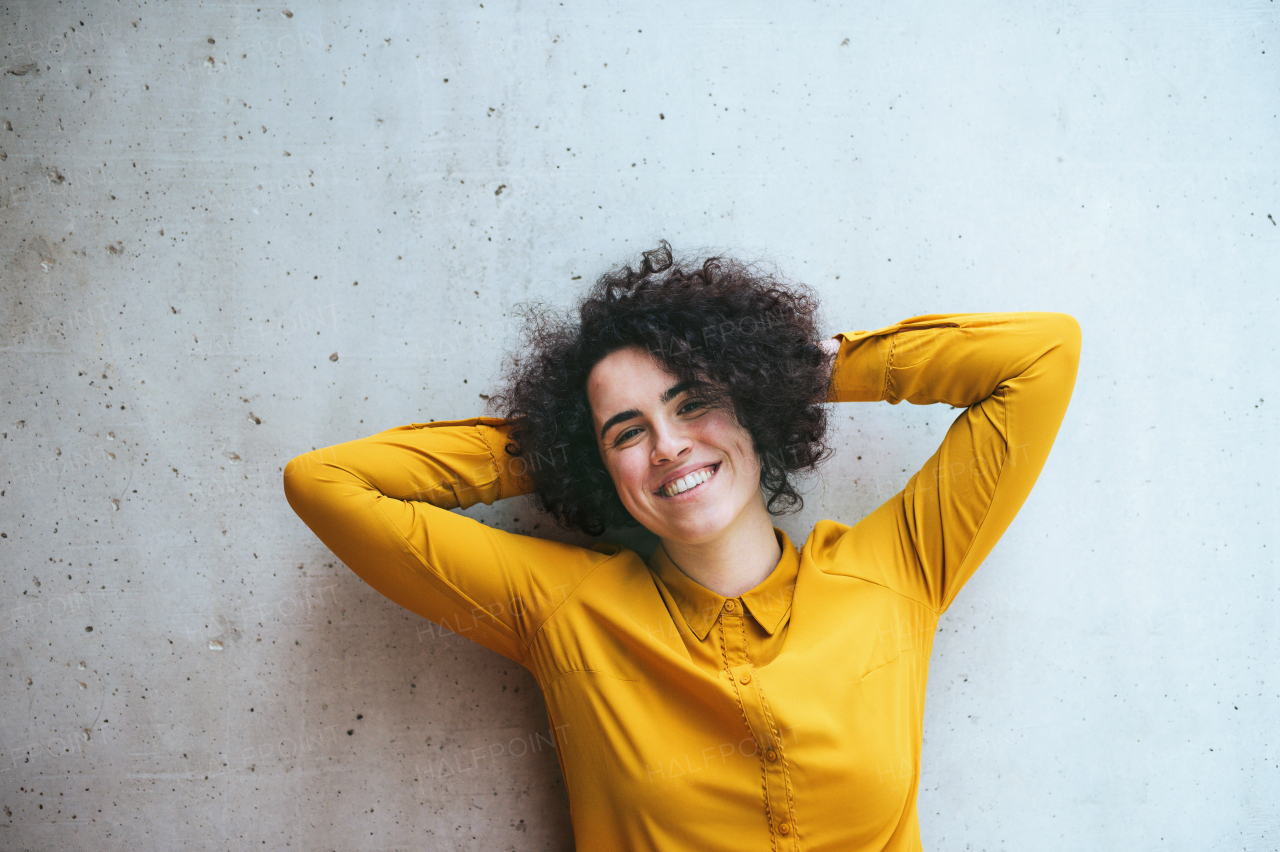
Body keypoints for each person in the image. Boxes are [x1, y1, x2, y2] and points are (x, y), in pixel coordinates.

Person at [283, 241, 1081, 851]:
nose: (667, 445)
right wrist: (567, 443)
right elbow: (327, 483)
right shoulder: (564, 611)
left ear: (750, 407)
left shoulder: (898, 571)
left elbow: (1041, 356)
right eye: (629, 431)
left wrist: (788, 370)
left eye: (693, 403)